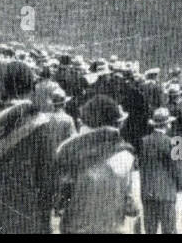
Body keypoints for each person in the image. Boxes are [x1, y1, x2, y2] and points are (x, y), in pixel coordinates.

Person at [0, 61, 74, 233]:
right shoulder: (40, 126)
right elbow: (48, 182)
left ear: (2, 88)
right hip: (23, 220)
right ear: (31, 89)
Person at [55, 96, 139, 234]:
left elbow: (59, 201)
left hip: (75, 228)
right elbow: (128, 201)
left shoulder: (66, 152)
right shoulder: (126, 155)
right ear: (116, 123)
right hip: (112, 228)